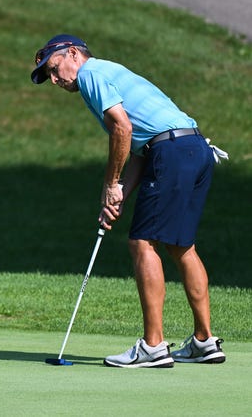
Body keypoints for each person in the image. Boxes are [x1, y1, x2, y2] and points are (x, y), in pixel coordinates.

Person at [30, 34, 228, 368]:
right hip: (194, 149)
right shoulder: (111, 73)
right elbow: (139, 145)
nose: (54, 80)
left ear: (73, 54)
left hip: (171, 153)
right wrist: (120, 192)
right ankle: (203, 341)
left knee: (141, 243)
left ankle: (152, 347)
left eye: (54, 68)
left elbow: (122, 129)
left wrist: (109, 184)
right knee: (182, 247)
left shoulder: (91, 74)